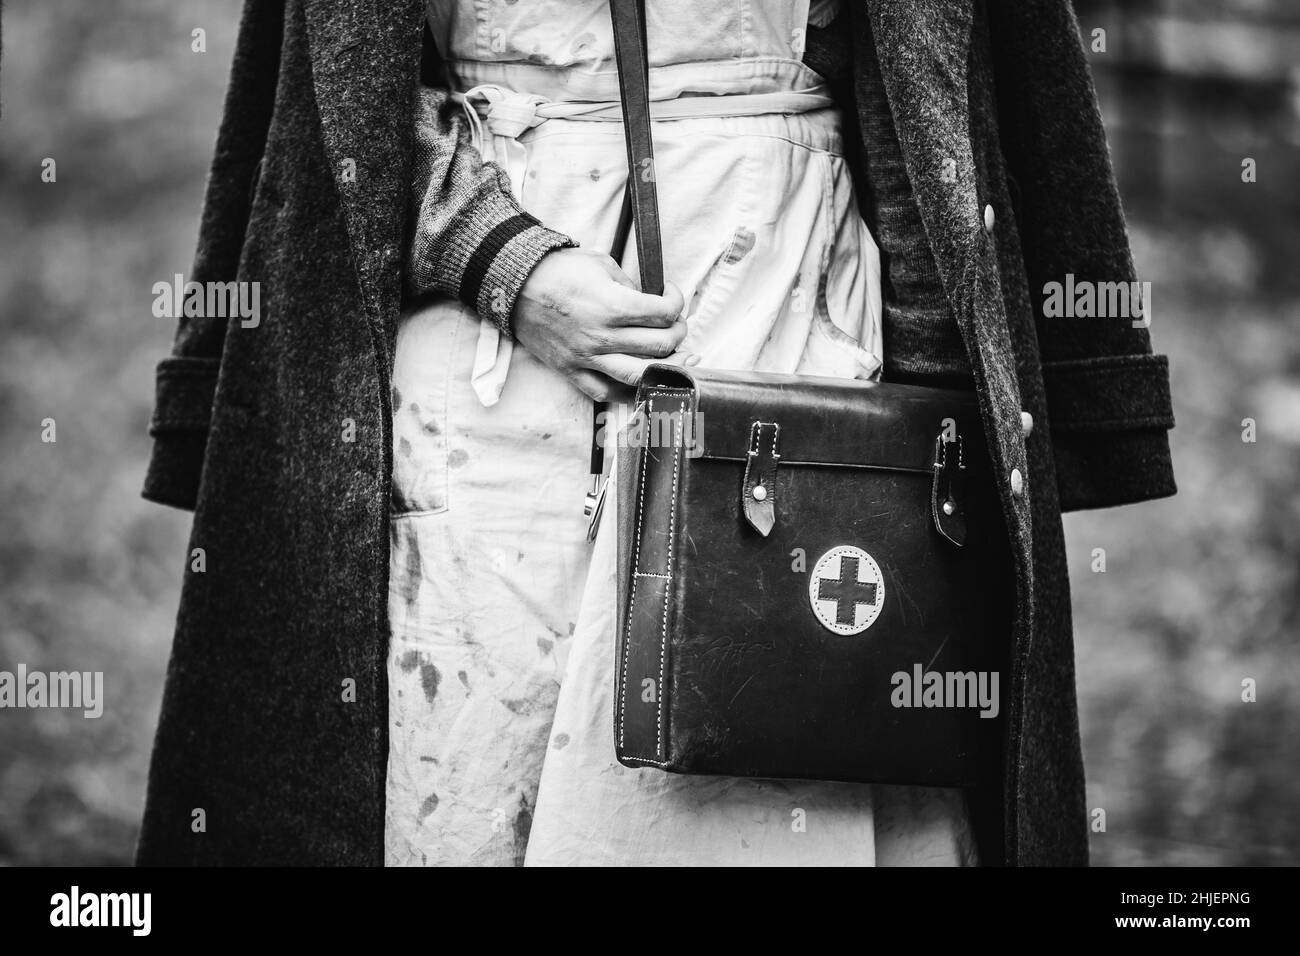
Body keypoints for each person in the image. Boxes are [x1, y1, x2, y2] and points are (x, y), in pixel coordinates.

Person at [137, 0, 1176, 867]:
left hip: (792, 317)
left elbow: (913, 83)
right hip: (483, 347)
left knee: (771, 788)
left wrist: (926, 404)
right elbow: (342, 99)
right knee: (466, 782)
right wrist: (499, 256)